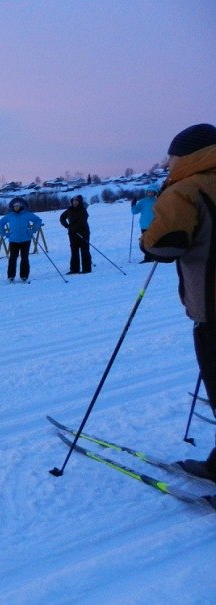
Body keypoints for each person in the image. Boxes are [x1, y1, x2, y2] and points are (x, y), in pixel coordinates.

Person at [140, 123, 216, 483]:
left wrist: (148, 236)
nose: (169, 164)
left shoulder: (187, 188)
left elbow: (163, 244)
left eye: (172, 157)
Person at [0, 197, 43, 283]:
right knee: (12, 258)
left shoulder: (27, 214)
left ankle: (24, 275)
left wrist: (33, 230)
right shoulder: (10, 216)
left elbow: (38, 220)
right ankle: (11, 276)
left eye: (18, 206)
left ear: (21, 206)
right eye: (14, 206)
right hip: (13, 240)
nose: (16, 207)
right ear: (12, 207)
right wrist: (5, 234)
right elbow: (0, 224)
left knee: (24, 258)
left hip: (25, 240)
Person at [59, 195, 92, 274]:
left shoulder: (83, 210)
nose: (75, 202)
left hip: (83, 233)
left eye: (76, 201)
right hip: (72, 234)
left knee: (84, 251)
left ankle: (86, 269)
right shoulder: (69, 210)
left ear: (80, 202)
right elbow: (62, 218)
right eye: (73, 201)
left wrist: (73, 229)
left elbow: (82, 221)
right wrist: (67, 226)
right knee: (74, 252)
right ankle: (74, 269)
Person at [131, 184, 159, 263]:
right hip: (144, 225)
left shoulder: (158, 201)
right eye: (149, 191)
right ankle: (148, 258)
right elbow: (135, 211)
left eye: (152, 192)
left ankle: (156, 256)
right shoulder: (142, 201)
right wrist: (133, 205)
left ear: (155, 193)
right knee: (146, 242)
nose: (150, 193)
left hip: (155, 225)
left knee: (154, 241)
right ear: (146, 192)